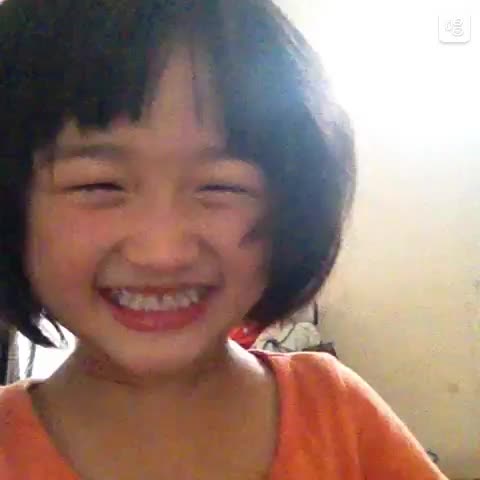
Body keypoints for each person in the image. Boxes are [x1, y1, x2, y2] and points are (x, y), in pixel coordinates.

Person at [0, 0, 447, 479]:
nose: (162, 253)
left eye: (222, 186)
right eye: (99, 184)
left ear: (294, 204)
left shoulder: (338, 414)